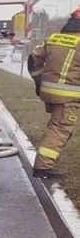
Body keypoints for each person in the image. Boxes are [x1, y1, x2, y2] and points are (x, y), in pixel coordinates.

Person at [28, 10, 80, 179]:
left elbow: (33, 60)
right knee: (60, 129)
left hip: (49, 91)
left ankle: (44, 164)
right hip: (69, 96)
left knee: (56, 127)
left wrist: (39, 83)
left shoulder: (54, 38)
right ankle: (42, 168)